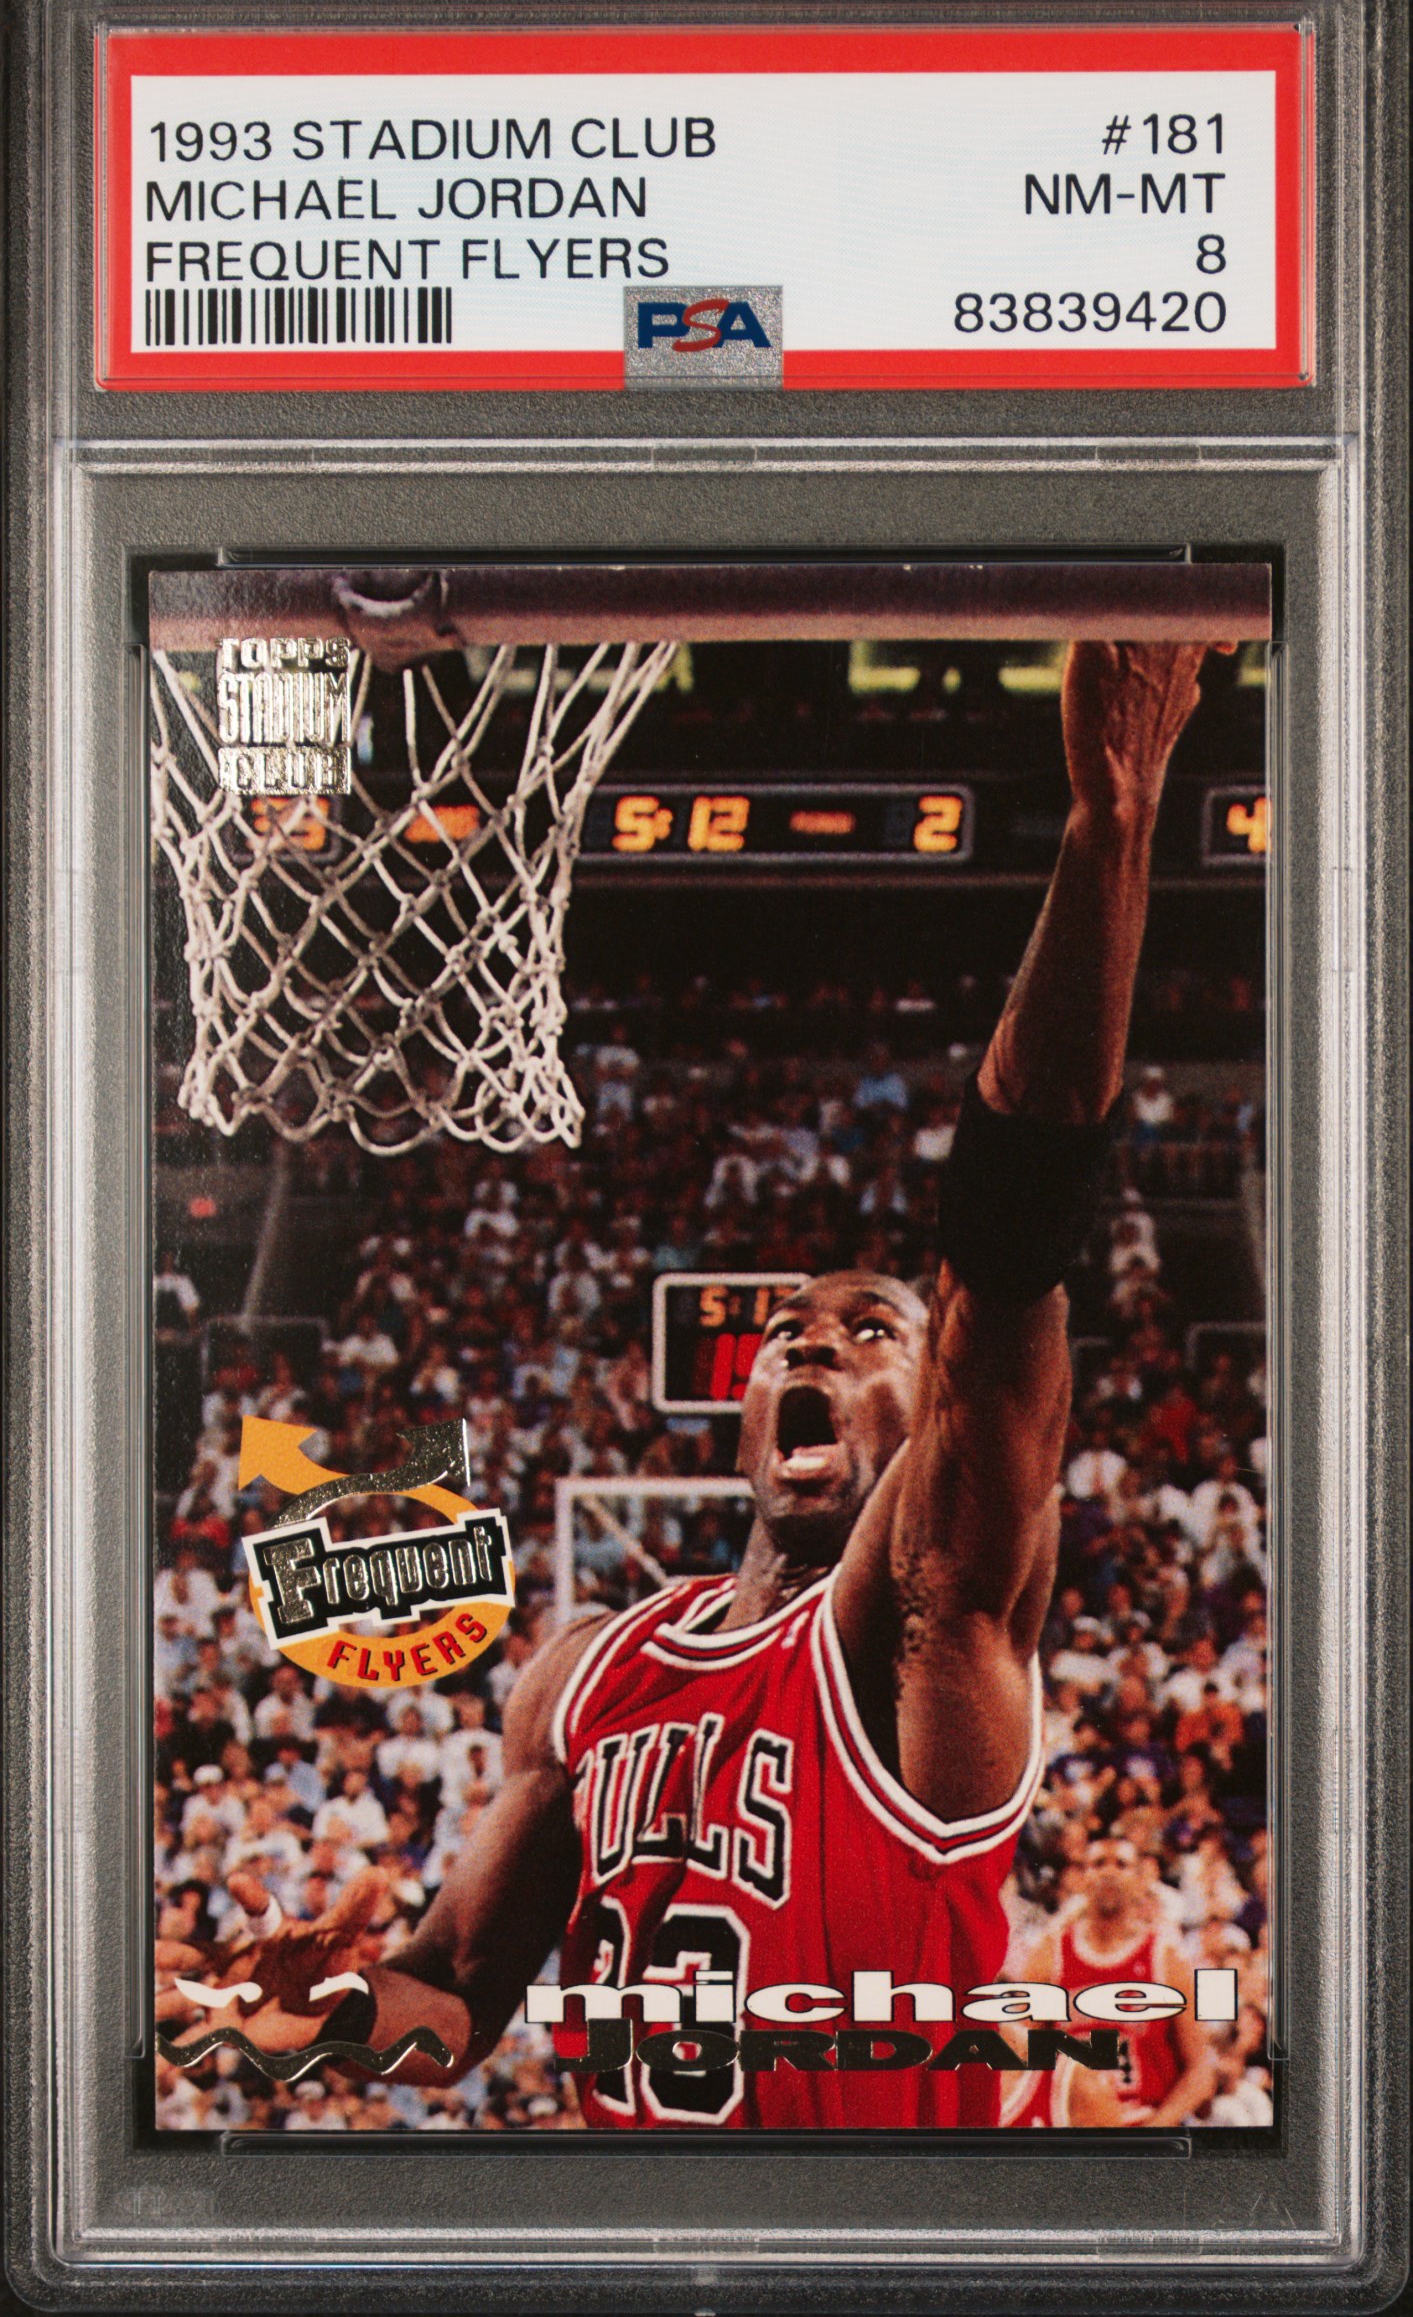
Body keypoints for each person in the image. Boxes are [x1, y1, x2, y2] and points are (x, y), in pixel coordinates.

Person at [195, 642, 1227, 2130]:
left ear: (929, 1401)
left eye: (869, 1331)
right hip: (644, 2224)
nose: (811, 1345)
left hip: (870, 2235)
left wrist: (1109, 824)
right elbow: (455, 1997)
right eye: (788, 1332)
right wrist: (293, 2022)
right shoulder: (584, 1671)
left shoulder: (921, 1624)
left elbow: (1009, 1246)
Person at [1005, 1836, 1215, 2128]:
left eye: (1121, 1864)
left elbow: (1200, 2070)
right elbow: (1021, 2059)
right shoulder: (1050, 1955)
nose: (1109, 1872)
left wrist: (1155, 2132)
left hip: (1145, 2123)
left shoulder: (1166, 1960)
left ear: (1140, 1881)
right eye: (1098, 1863)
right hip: (1074, 2131)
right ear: (1082, 1879)